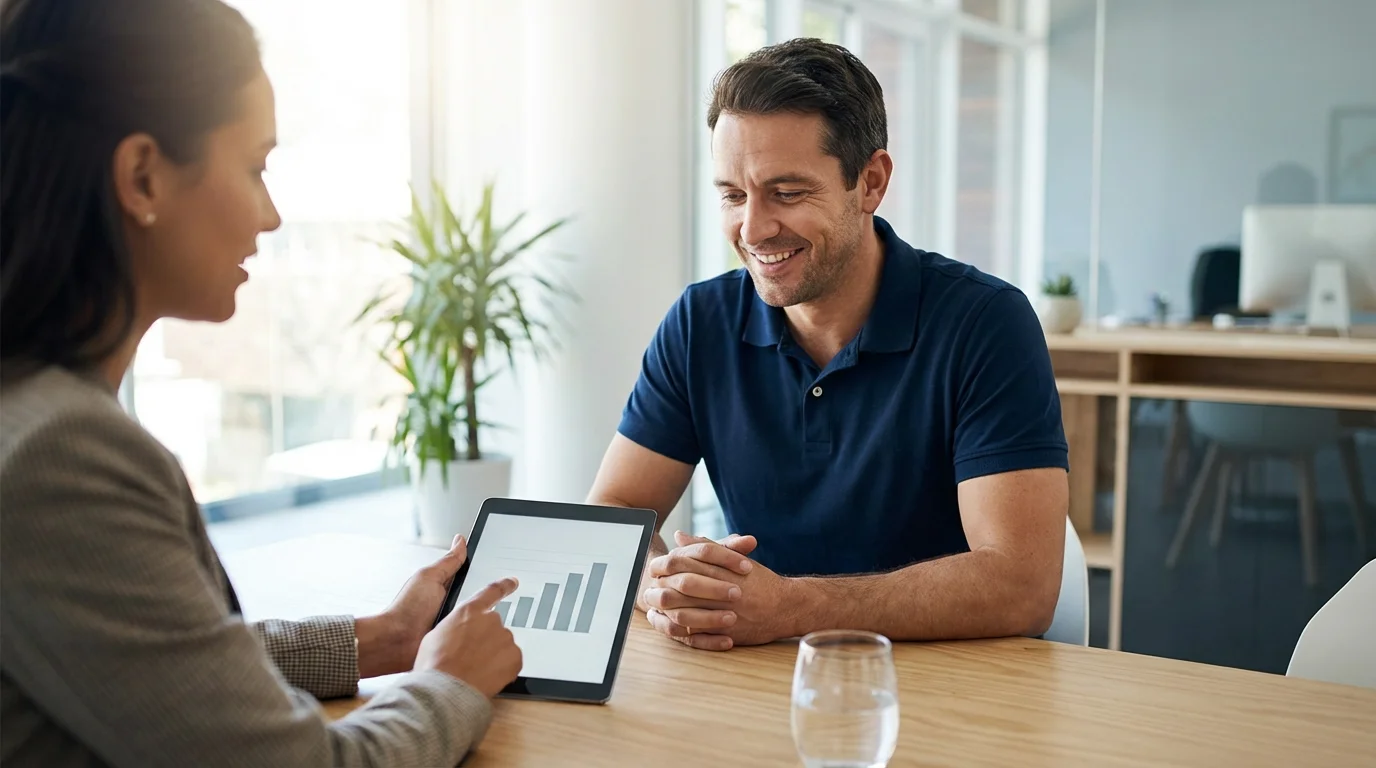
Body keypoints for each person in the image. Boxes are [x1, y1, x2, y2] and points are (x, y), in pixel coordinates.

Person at [0, 1, 521, 765]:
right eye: (254, 167)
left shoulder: (31, 410)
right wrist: (450, 684)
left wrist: (385, 638)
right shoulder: (63, 452)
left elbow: (164, 671)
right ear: (142, 176)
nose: (271, 215)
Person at [586, 39, 1070, 652]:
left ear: (870, 182)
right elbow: (616, 509)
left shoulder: (985, 322)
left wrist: (790, 607)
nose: (754, 229)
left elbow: (1021, 586)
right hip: (759, 674)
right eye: (734, 195)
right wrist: (660, 586)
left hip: (948, 683)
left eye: (787, 193)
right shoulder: (698, 322)